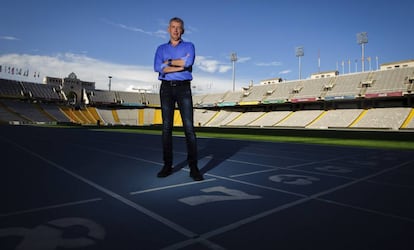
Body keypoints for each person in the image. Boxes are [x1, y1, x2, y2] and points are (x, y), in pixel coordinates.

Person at [153, 17, 203, 181]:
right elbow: (156, 67)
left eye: (178, 28)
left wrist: (167, 64)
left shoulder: (189, 46)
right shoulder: (161, 48)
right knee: (166, 128)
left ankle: (194, 167)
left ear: (182, 30)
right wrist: (180, 64)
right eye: (173, 27)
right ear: (168, 29)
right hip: (166, 88)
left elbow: (189, 62)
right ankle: (167, 165)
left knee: (189, 128)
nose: (175, 30)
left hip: (183, 88)